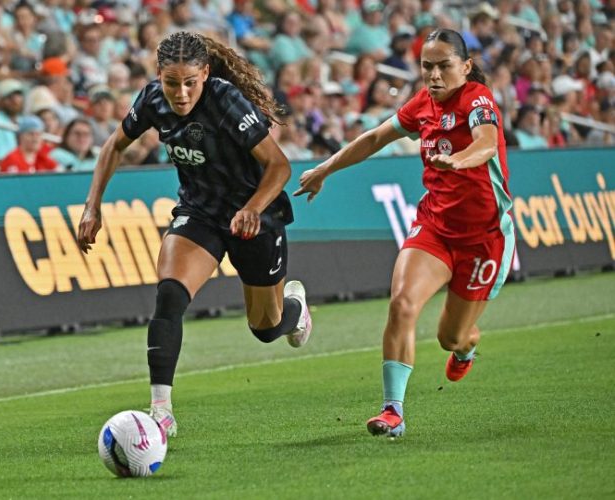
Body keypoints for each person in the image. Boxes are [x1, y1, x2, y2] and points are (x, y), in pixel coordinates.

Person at [77, 31, 313, 438]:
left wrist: (252, 208)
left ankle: (295, 310)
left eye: (190, 82)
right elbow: (114, 146)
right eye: (172, 83)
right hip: (200, 212)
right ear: (159, 75)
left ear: (205, 74)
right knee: (169, 294)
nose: (181, 93)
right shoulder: (152, 100)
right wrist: (92, 205)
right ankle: (161, 412)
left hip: (254, 215)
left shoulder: (225, 101)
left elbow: (279, 166)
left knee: (265, 329)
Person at [295, 28, 515, 438]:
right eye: (427, 66)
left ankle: (467, 346)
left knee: (450, 337)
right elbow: (377, 137)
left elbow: (486, 143)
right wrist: (326, 168)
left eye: (444, 66)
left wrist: (459, 160)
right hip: (435, 227)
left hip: (484, 238)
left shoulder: (478, 99)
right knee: (402, 303)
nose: (434, 75)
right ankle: (392, 410)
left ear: (466, 66)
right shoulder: (423, 104)